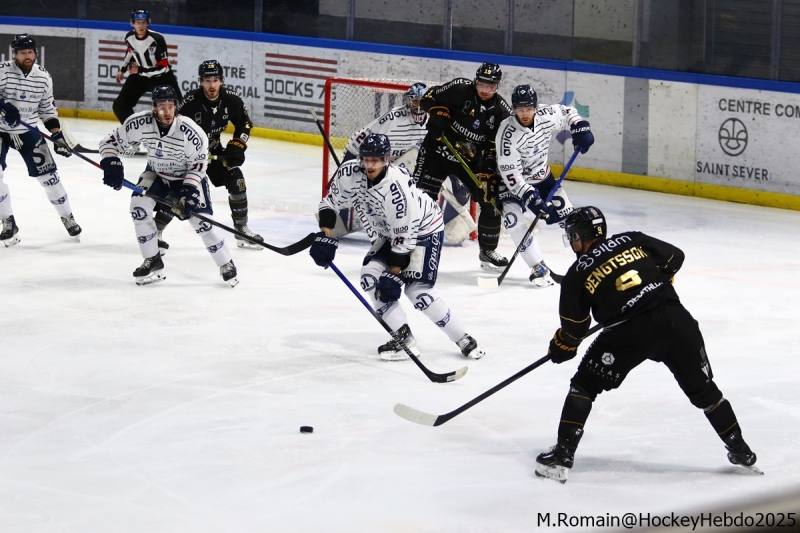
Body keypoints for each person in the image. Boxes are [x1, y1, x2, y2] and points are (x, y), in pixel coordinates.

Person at [535, 206, 759, 483]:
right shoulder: (631, 239)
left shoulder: (577, 273)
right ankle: (741, 449)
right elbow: (675, 257)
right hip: (677, 321)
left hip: (629, 333)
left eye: (572, 237)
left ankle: (562, 456)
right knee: (705, 391)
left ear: (579, 236)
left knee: (584, 386)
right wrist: (657, 280)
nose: (572, 243)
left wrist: (561, 346)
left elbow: (574, 330)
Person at [309, 133, 485, 361]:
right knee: (370, 278)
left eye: (376, 160)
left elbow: (405, 237)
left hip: (424, 229)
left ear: (387, 159)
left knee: (417, 292)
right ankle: (404, 339)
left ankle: (463, 338)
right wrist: (326, 236)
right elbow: (330, 203)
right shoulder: (349, 173)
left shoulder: (396, 189)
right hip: (388, 232)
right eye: (366, 159)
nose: (370, 165)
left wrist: (394, 274)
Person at [98, 85, 238, 287]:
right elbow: (108, 143)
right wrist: (111, 161)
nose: (166, 111)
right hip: (157, 174)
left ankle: (226, 263)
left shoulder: (191, 132)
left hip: (187, 177)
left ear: (176, 107)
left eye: (170, 106)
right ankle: (153, 259)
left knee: (203, 223)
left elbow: (199, 166)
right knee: (138, 207)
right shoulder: (139, 123)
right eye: (162, 107)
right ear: (154, 108)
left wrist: (189, 192)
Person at [153, 59, 263, 253]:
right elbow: (169, 129)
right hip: (187, 156)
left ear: (221, 80)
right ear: (200, 82)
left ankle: (241, 229)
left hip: (213, 153)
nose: (211, 85)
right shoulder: (188, 103)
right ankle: (156, 231)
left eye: (215, 80)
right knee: (179, 193)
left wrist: (238, 145)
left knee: (237, 180)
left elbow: (244, 124)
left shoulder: (231, 100)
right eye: (207, 80)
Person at [414, 62, 512, 271]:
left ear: (498, 86)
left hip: (468, 159)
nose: (485, 90)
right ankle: (413, 247)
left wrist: (487, 167)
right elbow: (426, 98)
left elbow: (497, 146)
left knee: (490, 199)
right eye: (482, 85)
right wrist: (437, 112)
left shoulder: (502, 112)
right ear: (476, 81)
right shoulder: (459, 89)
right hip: (437, 151)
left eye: (491, 86)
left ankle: (487, 252)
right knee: (422, 200)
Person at [494, 83, 594, 287]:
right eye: (520, 110)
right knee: (513, 221)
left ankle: (590, 264)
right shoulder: (506, 133)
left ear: (536, 107)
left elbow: (568, 112)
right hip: (511, 184)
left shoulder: (546, 115)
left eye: (529, 109)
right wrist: (528, 195)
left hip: (542, 178)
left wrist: (579, 126)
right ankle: (538, 266)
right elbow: (510, 173)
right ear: (514, 109)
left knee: (573, 221)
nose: (525, 114)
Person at [0, 33, 82, 247]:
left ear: (35, 53)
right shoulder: (2, 71)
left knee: (50, 178)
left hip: (27, 131)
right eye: (22, 52)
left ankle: (67, 216)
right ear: (15, 54)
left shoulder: (43, 77)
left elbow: (47, 110)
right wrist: (3, 104)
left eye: (30, 51)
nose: (26, 55)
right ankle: (8, 221)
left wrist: (57, 135)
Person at [325, 82, 430, 239]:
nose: (419, 106)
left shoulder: (434, 120)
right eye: (415, 101)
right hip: (383, 165)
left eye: (422, 101)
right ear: (408, 100)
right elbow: (359, 138)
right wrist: (345, 169)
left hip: (403, 167)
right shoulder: (394, 118)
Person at [112, 9, 182, 124]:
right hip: (140, 77)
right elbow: (130, 51)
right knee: (120, 106)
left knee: (180, 109)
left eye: (143, 22)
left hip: (162, 78)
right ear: (132, 24)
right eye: (138, 22)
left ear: (148, 23)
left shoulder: (157, 39)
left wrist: (140, 70)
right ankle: (134, 131)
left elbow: (163, 68)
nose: (141, 25)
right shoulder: (129, 37)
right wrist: (122, 69)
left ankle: (172, 137)